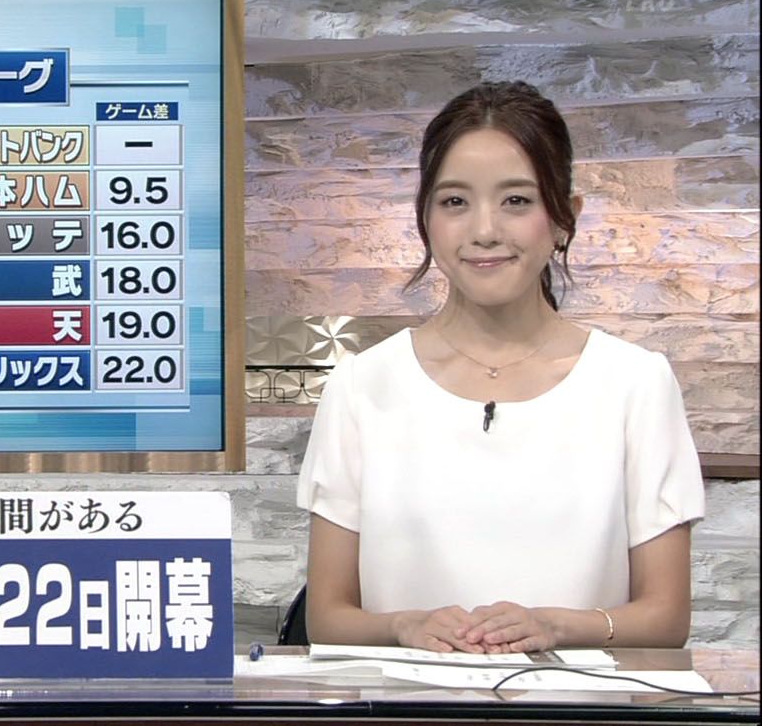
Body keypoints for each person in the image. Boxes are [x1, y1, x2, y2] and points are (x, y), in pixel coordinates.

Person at [296, 81, 705, 653]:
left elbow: (665, 618)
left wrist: (556, 627)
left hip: (579, 701)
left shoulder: (634, 383)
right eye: (454, 202)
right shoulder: (361, 385)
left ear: (564, 219)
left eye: (516, 201)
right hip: (403, 700)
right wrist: (402, 626)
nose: (485, 231)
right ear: (424, 218)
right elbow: (328, 618)